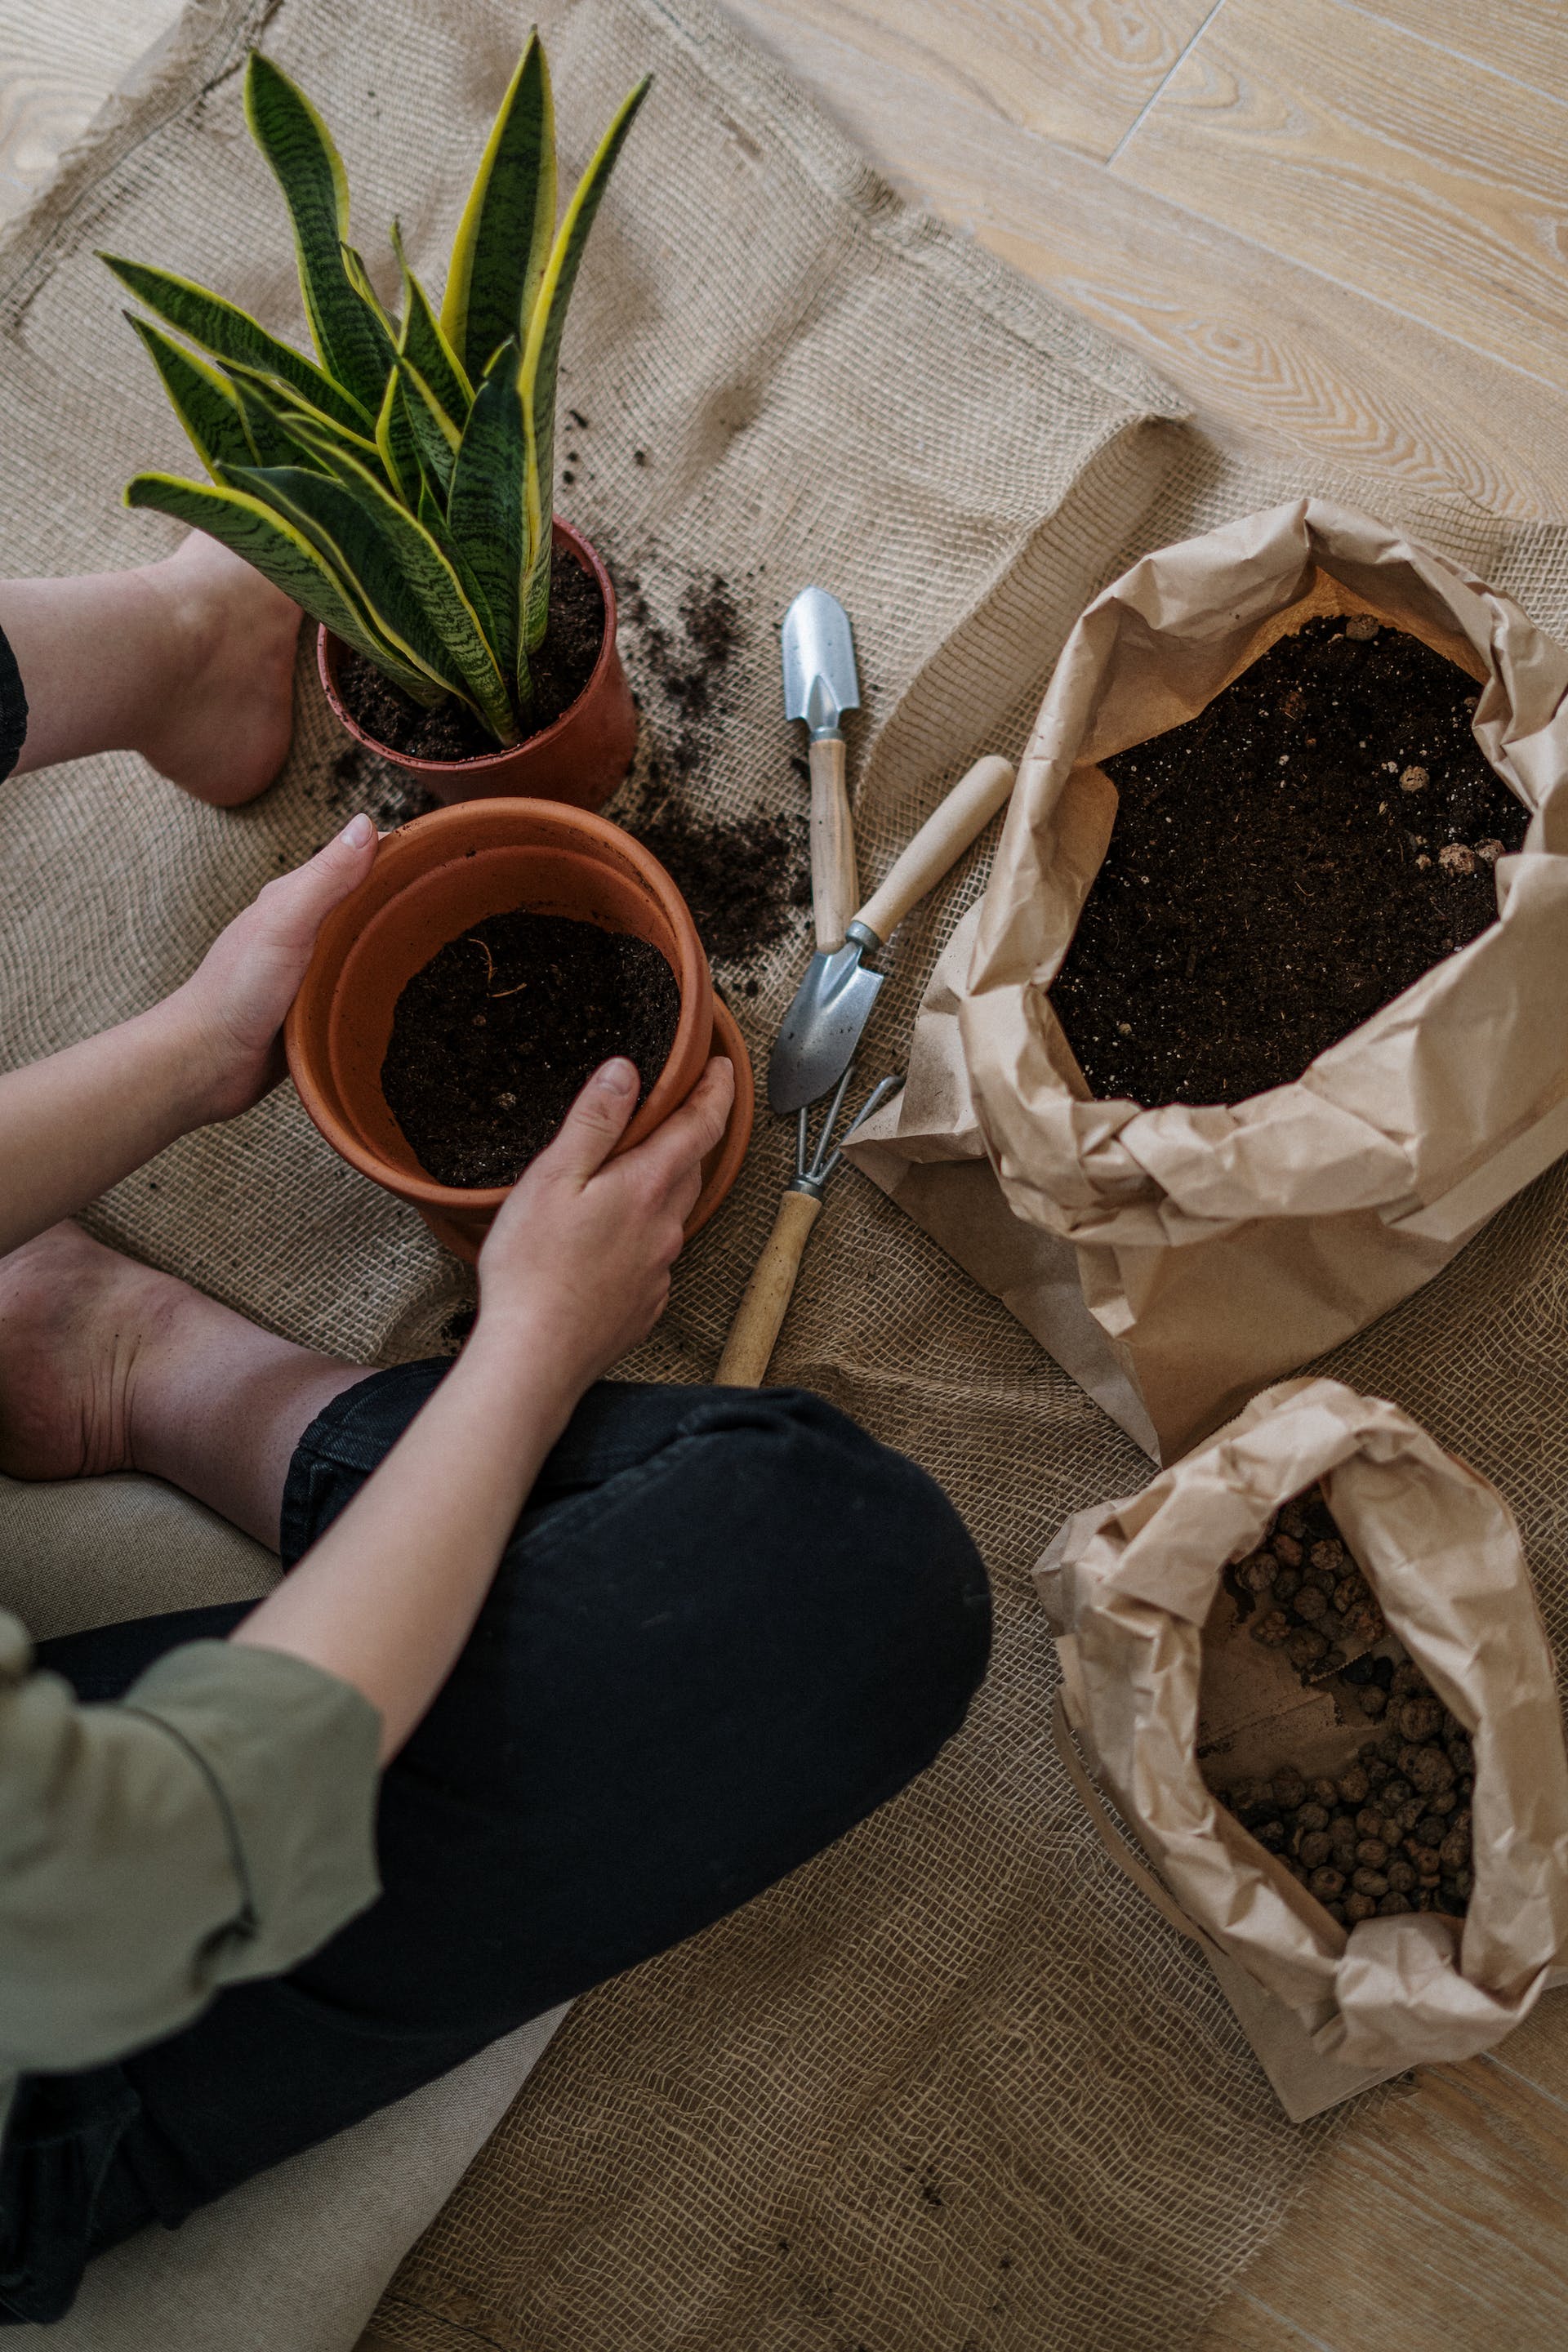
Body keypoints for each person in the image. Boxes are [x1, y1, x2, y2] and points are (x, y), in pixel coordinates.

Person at [0, 534, 991, 2325]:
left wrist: (197, 1049)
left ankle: (169, 646)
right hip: (65, 1983)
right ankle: (163, 1373)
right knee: (830, 1583)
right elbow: (165, 1848)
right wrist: (528, 1350)